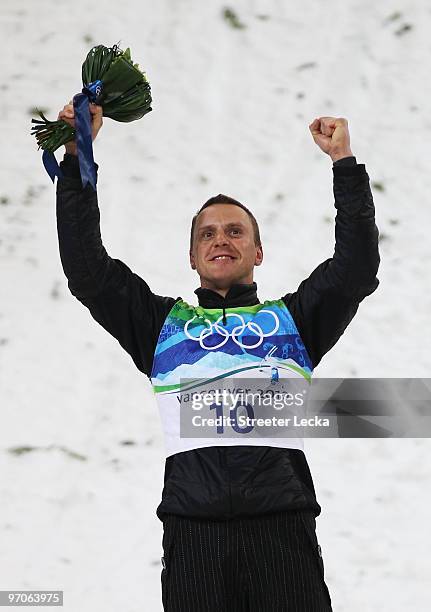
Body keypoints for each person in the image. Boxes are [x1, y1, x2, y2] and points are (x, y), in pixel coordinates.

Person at [55, 101, 380, 611]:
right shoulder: (161, 326)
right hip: (193, 542)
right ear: (191, 256)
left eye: (235, 231)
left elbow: (355, 268)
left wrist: (344, 165)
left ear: (257, 251)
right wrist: (77, 156)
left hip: (283, 536)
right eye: (207, 233)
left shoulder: (294, 320)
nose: (220, 240)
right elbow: (87, 270)